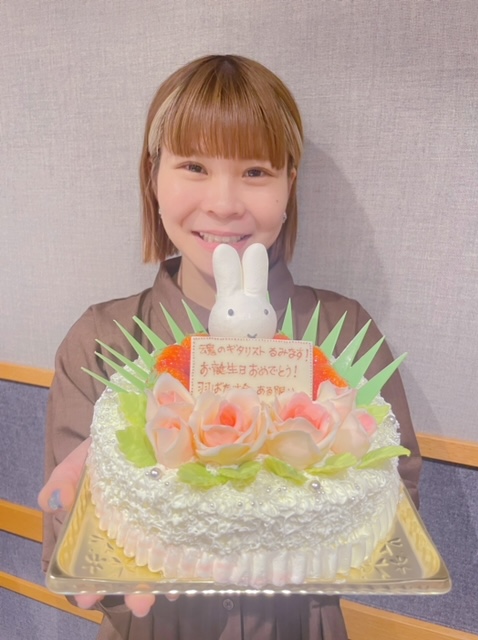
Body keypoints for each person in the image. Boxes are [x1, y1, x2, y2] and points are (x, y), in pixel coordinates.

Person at [38, 54, 422, 640]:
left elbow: (393, 501)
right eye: (193, 165)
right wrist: (116, 488)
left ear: (290, 183)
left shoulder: (345, 335)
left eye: (256, 171)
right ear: (153, 176)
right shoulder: (100, 342)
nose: (223, 203)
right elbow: (71, 552)